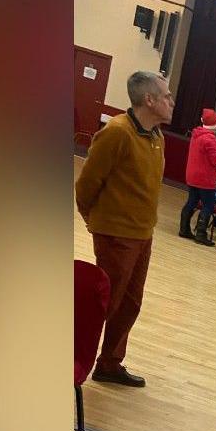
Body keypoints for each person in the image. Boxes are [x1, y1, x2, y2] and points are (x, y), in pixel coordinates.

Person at [75, 70, 174, 387]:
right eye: (166, 96)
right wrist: (96, 221)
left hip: (143, 233)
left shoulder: (157, 136)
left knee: (130, 302)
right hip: (117, 234)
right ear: (150, 100)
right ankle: (70, 357)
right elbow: (87, 184)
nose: (172, 101)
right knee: (106, 302)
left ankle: (110, 363)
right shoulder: (118, 132)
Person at [178, 108, 216, 246]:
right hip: (205, 178)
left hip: (192, 175)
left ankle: (184, 229)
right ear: (214, 126)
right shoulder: (211, 139)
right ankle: (201, 234)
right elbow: (215, 160)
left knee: (192, 202)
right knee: (208, 206)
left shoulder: (197, 134)